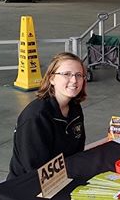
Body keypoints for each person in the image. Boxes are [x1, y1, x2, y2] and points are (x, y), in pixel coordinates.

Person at [8, 52, 87, 180]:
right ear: (51, 78)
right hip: (28, 185)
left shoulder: (74, 108)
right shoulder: (36, 117)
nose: (74, 80)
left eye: (79, 75)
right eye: (67, 74)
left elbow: (78, 152)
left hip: (65, 177)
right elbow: (35, 169)